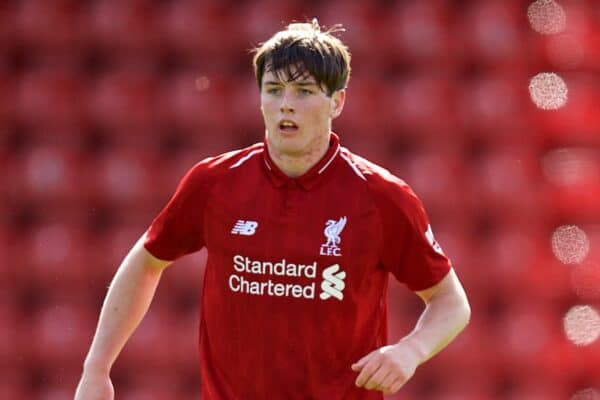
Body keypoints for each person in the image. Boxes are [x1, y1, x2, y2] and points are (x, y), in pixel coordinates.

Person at [75, 19, 470, 400]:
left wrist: (410, 351)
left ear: (337, 102)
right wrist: (97, 368)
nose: (286, 105)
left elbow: (450, 302)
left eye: (303, 91)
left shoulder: (382, 197)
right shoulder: (214, 183)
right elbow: (147, 261)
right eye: (274, 89)